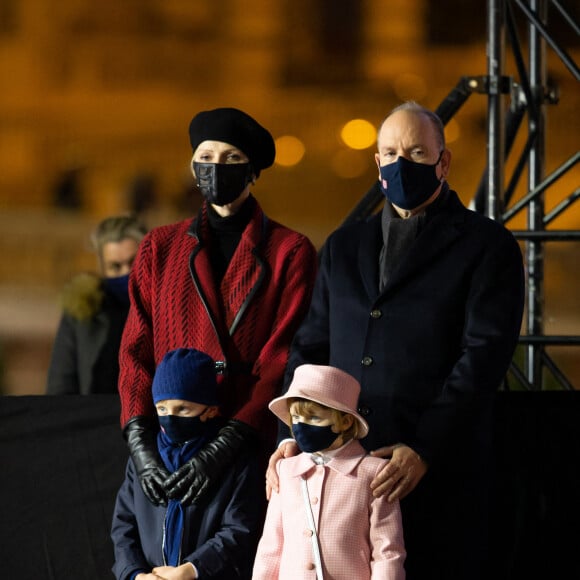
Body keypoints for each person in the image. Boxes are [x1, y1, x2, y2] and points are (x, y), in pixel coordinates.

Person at [268, 101, 525, 579]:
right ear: (377, 163)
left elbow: (483, 357)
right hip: (341, 478)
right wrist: (291, 434)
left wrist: (425, 447)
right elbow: (311, 350)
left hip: (439, 477)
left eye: (415, 152)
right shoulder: (343, 247)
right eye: (389, 152)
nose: (401, 163)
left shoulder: (488, 247)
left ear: (442, 162)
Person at [118, 107, 318, 508]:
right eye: (206, 158)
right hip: (168, 443)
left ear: (252, 171)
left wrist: (228, 442)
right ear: (193, 167)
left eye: (231, 159)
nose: (216, 168)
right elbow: (135, 351)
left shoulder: (289, 251)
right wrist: (141, 445)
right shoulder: (159, 247)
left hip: (246, 442)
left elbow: (282, 357)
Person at [112, 348, 264, 580]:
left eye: (183, 408)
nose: (169, 417)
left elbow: (239, 529)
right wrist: (135, 574)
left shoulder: (236, 462)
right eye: (161, 408)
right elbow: (124, 525)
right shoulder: (144, 459)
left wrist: (191, 570)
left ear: (210, 410)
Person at [253, 364, 406, 580]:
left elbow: (387, 552)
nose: (300, 426)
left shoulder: (374, 473)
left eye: (314, 418)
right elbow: (271, 545)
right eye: (295, 418)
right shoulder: (286, 471)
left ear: (345, 421)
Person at [46, 214, 147, 395]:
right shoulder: (82, 309)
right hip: (96, 416)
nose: (126, 272)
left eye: (133, 263)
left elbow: (215, 365)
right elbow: (60, 383)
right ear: (102, 267)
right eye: (115, 266)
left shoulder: (167, 307)